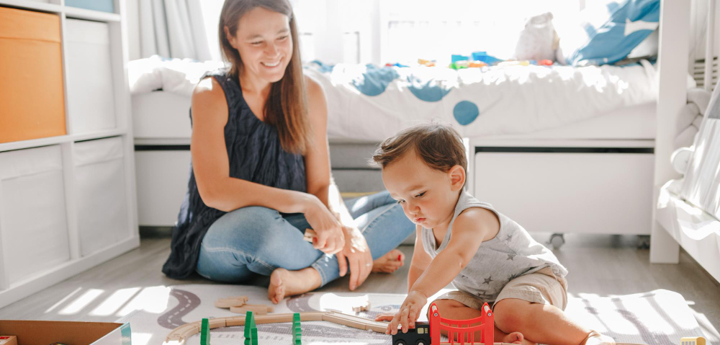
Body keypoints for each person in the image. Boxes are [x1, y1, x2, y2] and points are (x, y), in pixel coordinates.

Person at [161, 0, 414, 304]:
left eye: (282, 37)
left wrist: (346, 228)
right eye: (257, 42)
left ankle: (310, 274)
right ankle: (350, 262)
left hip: (295, 228)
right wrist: (307, 205)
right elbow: (215, 191)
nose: (274, 52)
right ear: (231, 37)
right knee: (260, 226)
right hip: (225, 234)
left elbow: (321, 184)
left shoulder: (310, 93)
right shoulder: (211, 94)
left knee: (414, 202)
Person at [372, 124, 615, 345]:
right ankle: (505, 338)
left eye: (419, 194)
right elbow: (420, 266)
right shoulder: (424, 223)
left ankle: (588, 337)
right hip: (486, 297)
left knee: (509, 312)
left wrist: (419, 292)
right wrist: (410, 306)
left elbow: (456, 255)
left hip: (536, 281)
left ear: (455, 179)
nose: (410, 209)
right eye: (401, 200)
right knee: (439, 311)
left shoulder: (472, 217)